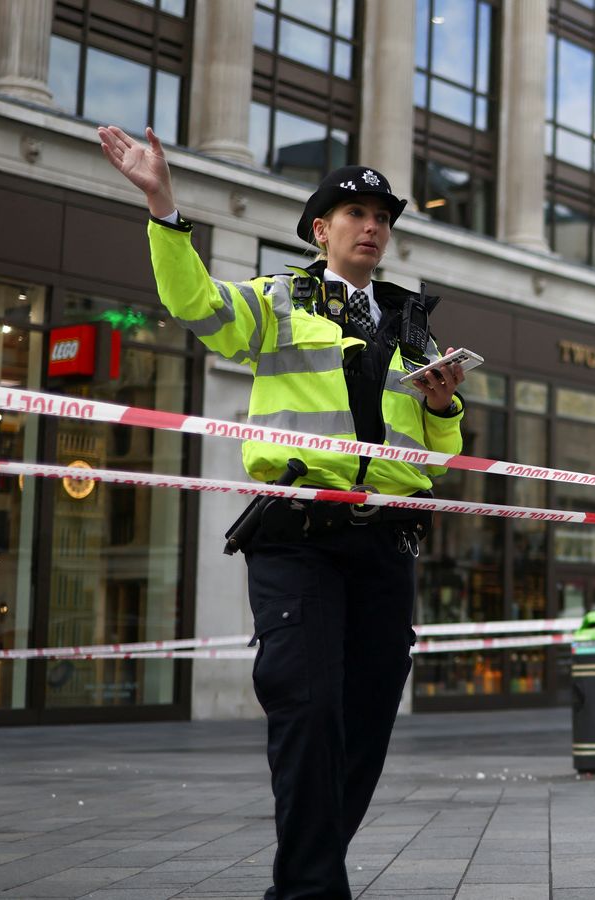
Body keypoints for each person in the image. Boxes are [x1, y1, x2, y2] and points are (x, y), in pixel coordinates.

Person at [98, 125, 468, 897]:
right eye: (355, 213)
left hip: (387, 542)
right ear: (319, 229)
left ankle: (299, 882)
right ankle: (309, 892)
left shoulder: (412, 326)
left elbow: (440, 454)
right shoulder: (276, 300)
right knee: (306, 708)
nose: (373, 227)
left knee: (366, 723)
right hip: (297, 537)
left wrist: (442, 404)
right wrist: (163, 205)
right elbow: (194, 303)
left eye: (383, 218)